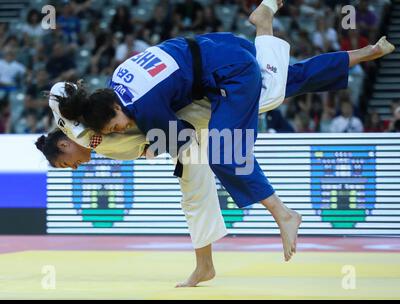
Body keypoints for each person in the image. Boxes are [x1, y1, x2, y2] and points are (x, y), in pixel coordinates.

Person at [49, 0, 395, 263]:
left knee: (224, 150)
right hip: (218, 47)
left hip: (230, 72)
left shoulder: (144, 109)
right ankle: (364, 51)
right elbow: (69, 98)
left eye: (116, 125)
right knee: (288, 80)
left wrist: (151, 146)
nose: (122, 129)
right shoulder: (117, 79)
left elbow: (183, 138)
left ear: (114, 108)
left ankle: (284, 215)